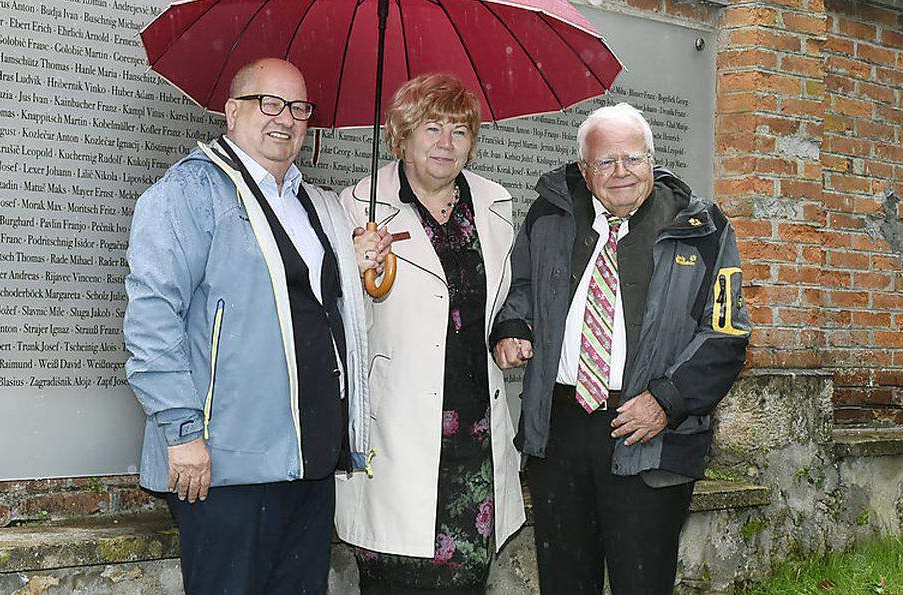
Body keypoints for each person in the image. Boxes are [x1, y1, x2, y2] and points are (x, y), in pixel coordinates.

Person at [123, 57, 391, 594]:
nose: (285, 118)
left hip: (307, 463)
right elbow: (152, 320)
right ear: (230, 111)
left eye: (299, 107)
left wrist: (348, 259)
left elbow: (300, 301)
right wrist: (182, 432)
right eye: (268, 103)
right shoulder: (189, 193)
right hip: (225, 467)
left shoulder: (314, 204)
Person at [490, 103, 751, 595]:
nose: (621, 173)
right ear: (585, 172)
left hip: (649, 431)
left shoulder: (702, 227)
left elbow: (726, 333)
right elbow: (518, 284)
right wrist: (511, 325)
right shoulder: (550, 215)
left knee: (641, 582)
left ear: (652, 160)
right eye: (605, 162)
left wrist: (666, 401)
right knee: (565, 581)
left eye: (632, 159)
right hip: (561, 430)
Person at [335, 74, 525, 595]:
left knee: (466, 583)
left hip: (475, 437)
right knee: (395, 581)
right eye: (431, 127)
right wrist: (353, 272)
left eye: (460, 131)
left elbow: (509, 292)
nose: (446, 143)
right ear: (401, 135)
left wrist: (512, 328)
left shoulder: (494, 204)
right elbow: (337, 321)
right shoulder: (356, 206)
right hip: (398, 438)